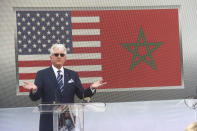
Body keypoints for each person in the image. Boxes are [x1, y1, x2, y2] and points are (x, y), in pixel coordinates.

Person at [23, 43, 106, 131]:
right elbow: (34, 97)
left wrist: (92, 88)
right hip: (48, 121)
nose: (59, 56)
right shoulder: (42, 74)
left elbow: (82, 95)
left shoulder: (73, 75)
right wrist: (34, 89)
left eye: (62, 55)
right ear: (51, 57)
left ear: (65, 58)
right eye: (56, 54)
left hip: (68, 121)